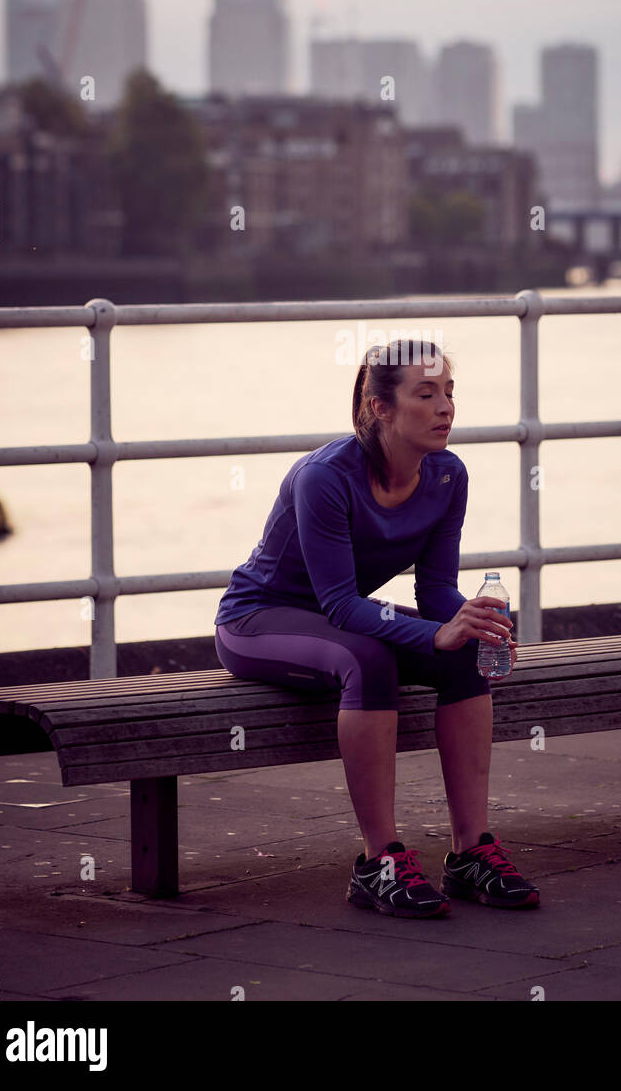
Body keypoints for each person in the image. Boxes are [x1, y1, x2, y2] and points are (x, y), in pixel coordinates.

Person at [214, 339, 540, 917]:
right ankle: (378, 862)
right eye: (426, 394)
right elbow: (340, 603)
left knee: (463, 655)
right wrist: (431, 633)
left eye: (449, 393)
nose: (445, 408)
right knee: (369, 659)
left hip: (337, 622)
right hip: (258, 619)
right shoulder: (325, 477)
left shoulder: (446, 475)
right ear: (379, 406)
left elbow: (434, 589)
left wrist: (472, 622)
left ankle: (470, 853)